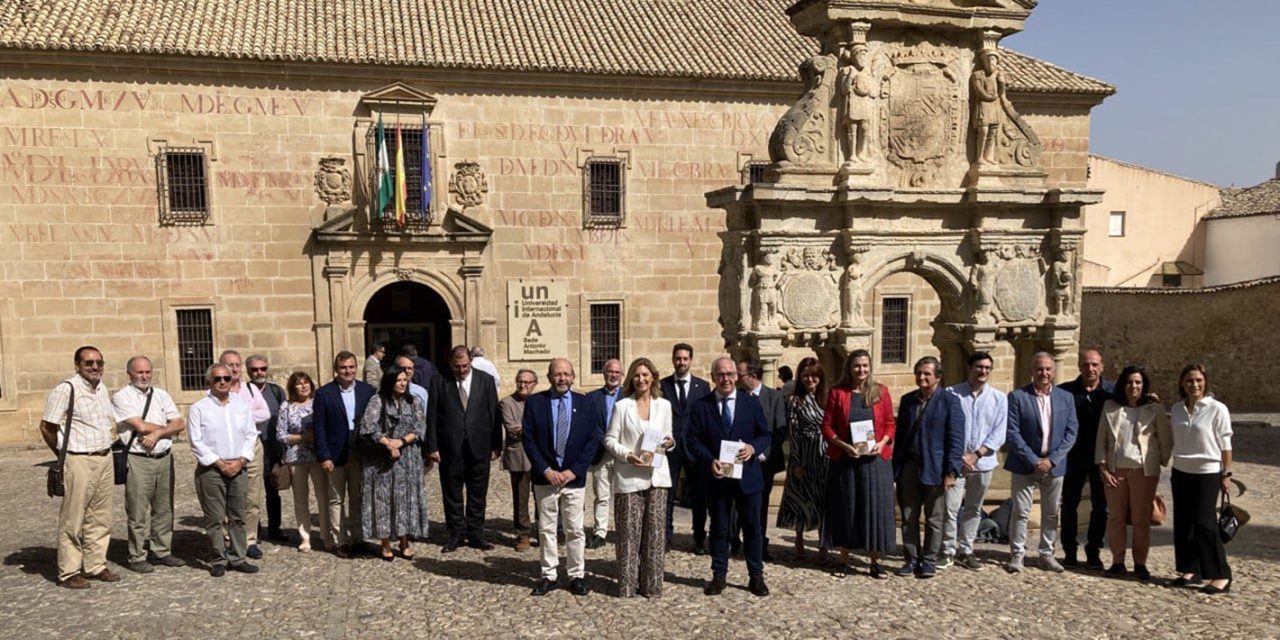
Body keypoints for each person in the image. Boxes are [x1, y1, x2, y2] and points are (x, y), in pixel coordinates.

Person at [686, 356, 772, 597]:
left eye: (730, 374)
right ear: (713, 377)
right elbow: (692, 440)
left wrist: (753, 448)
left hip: (748, 477)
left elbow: (765, 434)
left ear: (737, 376)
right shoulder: (701, 406)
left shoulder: (750, 403)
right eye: (720, 374)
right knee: (720, 528)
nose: (725, 379)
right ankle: (719, 575)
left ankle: (756, 576)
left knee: (753, 528)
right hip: (718, 478)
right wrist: (708, 459)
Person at [39, 346, 121, 589]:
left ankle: (95, 564)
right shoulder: (66, 390)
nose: (95, 367)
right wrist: (63, 455)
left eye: (98, 362)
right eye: (89, 363)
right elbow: (47, 426)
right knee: (73, 518)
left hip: (104, 457)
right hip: (78, 459)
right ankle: (69, 571)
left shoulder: (101, 388)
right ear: (77, 365)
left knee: (101, 515)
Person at [522, 358, 603, 596]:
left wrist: (574, 470)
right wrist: (545, 470)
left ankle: (576, 574)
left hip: (573, 478)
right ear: (549, 377)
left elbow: (593, 440)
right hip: (545, 477)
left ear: (574, 377)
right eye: (558, 374)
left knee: (575, 529)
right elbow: (528, 439)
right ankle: (549, 574)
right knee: (546, 528)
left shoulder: (586, 403)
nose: (562, 379)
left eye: (567, 374)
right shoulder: (536, 403)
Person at [820, 349, 896, 578]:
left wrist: (882, 443)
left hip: (875, 461)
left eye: (864, 365)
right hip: (846, 460)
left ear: (870, 367)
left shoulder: (880, 392)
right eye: (856, 366)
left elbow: (891, 424)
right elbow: (826, 426)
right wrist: (844, 446)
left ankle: (875, 562)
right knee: (846, 508)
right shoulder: (837, 393)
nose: (861, 370)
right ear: (849, 368)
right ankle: (843, 560)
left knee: (874, 510)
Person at [603, 357, 675, 598]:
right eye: (636, 375)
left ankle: (652, 586)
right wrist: (628, 454)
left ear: (653, 377)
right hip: (630, 476)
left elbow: (668, 435)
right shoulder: (622, 406)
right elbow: (610, 439)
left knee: (655, 535)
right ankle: (626, 586)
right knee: (628, 536)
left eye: (645, 375)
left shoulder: (664, 405)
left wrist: (670, 442)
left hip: (657, 477)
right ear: (631, 379)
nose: (641, 379)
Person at [1004, 352, 1078, 574]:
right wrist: (1034, 459)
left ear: (1053, 372)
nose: (1044, 373)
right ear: (1032, 371)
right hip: (1025, 464)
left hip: (1054, 466)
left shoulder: (1066, 398)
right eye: (1039, 369)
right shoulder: (1017, 397)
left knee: (1051, 512)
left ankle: (1046, 554)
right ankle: (1017, 554)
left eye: (1047, 369)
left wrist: (1053, 460)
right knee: (1020, 511)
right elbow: (1012, 432)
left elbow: (1071, 431)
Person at [1096, 365, 1171, 581]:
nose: (1134, 386)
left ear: (1143, 385)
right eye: (1130, 382)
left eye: (1138, 382)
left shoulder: (1154, 409)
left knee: (1140, 519)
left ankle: (1140, 563)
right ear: (1123, 385)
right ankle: (1117, 561)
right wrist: (1103, 468)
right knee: (1116, 518)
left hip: (1143, 470)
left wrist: (1160, 462)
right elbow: (1102, 440)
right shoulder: (1110, 407)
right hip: (1115, 469)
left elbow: (1165, 438)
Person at [112, 355, 185, 574]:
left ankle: (162, 551)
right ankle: (136, 555)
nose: (144, 376)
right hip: (138, 459)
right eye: (139, 372)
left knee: (164, 508)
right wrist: (164, 427)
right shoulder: (121, 397)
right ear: (130, 374)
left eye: (147, 372)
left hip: (163, 457)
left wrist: (159, 433)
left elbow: (179, 423)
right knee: (137, 510)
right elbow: (139, 425)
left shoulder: (161, 395)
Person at [893, 356, 964, 579]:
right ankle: (911, 558)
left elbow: (956, 439)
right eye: (918, 373)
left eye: (926, 374)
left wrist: (951, 471)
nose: (921, 377)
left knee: (934, 517)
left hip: (936, 466)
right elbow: (901, 435)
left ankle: (930, 560)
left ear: (938, 377)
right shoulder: (907, 401)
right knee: (908, 515)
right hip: (910, 465)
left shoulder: (949, 401)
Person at [426, 345, 502, 552]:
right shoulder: (439, 381)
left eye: (465, 365)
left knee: (478, 493)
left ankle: (476, 534)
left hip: (479, 447)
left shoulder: (485, 381)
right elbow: (431, 416)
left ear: (471, 361)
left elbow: (494, 414)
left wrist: (497, 445)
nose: (461, 370)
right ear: (450, 364)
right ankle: (456, 534)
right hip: (450, 447)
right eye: (457, 367)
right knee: (452, 493)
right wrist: (432, 446)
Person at [187, 363, 260, 576]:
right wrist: (218, 463)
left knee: (238, 515)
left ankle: (238, 556)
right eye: (217, 378)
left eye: (226, 378)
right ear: (209, 381)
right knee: (215, 518)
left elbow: (250, 434)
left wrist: (242, 461)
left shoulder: (241, 406)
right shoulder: (199, 408)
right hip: (211, 469)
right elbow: (196, 441)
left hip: (238, 466)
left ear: (232, 380)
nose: (222, 382)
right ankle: (218, 558)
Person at [1169, 364, 1234, 594]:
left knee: (1205, 523)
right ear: (1182, 383)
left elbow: (1225, 444)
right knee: (1184, 522)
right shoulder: (1177, 409)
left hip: (1207, 472)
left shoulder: (1217, 409)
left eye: (1198, 380)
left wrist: (1226, 473)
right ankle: (1190, 569)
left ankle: (1220, 574)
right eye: (1189, 380)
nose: (1194, 385)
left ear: (1205, 381)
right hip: (1180, 471)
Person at [941, 352, 1007, 571]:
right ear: (970, 368)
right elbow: (946, 427)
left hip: (983, 463)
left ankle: (966, 550)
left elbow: (999, 432)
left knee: (973, 509)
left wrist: (976, 454)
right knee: (950, 508)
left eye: (988, 368)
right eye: (979, 367)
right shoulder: (952, 394)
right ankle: (948, 550)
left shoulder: (999, 398)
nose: (983, 371)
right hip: (956, 462)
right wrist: (959, 455)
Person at [360, 366, 430, 560]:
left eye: (404, 380)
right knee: (384, 500)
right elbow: (367, 426)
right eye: (398, 380)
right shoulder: (377, 400)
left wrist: (401, 441)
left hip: (408, 459)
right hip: (383, 460)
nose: (402, 383)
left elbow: (420, 426)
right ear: (390, 381)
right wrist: (388, 443)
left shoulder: (413, 401)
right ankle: (385, 543)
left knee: (405, 500)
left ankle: (404, 540)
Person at [313, 351, 376, 558]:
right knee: (336, 499)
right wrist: (324, 456)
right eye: (343, 368)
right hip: (335, 454)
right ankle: (340, 540)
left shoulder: (368, 391)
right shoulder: (324, 394)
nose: (347, 371)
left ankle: (358, 538)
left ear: (356, 367)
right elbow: (319, 427)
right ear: (336, 370)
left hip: (359, 452)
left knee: (358, 497)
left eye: (350, 367)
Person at [1058, 349, 1115, 569]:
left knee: (1101, 507)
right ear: (1079, 366)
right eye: (1085, 364)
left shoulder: (1112, 392)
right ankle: (1069, 550)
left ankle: (1094, 550)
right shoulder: (1065, 392)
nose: (1090, 369)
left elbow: (1133, 401)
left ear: (1101, 366)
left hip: (1102, 457)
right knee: (1069, 504)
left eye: (1094, 364)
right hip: (1073, 456)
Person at [732, 357, 786, 561]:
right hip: (739, 459)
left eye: (740, 374)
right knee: (735, 504)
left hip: (764, 461)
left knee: (760, 505)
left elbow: (780, 430)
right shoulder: (736, 396)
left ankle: (759, 545)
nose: (736, 377)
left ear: (752, 376)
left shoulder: (774, 397)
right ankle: (734, 540)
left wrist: (762, 452)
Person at [658, 343, 711, 551]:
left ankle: (699, 538)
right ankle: (666, 537)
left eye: (685, 359)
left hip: (695, 449)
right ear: (673, 360)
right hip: (670, 449)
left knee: (698, 496)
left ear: (691, 360)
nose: (681, 362)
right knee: (668, 496)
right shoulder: (663, 386)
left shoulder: (702, 386)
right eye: (678, 359)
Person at [218, 350, 270, 559]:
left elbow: (265, 413)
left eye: (237, 365)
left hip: (252, 446)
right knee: (227, 496)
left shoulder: (250, 389)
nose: (234, 369)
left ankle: (249, 540)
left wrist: (241, 414)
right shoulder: (215, 390)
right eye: (229, 365)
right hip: (227, 448)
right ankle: (229, 539)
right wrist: (245, 414)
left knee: (252, 496)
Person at [775, 357, 829, 560]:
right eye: (806, 376)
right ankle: (799, 538)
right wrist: (796, 462)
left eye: (814, 375)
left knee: (823, 500)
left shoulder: (827, 397)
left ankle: (823, 543)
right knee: (800, 497)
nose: (810, 380)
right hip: (804, 453)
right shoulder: (796, 401)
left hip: (824, 455)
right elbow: (793, 432)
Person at [276, 371, 329, 552]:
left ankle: (326, 535)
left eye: (306, 382)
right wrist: (304, 437)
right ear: (293, 387)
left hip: (317, 457)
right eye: (299, 383)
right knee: (300, 499)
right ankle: (305, 536)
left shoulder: (317, 404)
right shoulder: (286, 407)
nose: (303, 386)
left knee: (323, 497)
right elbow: (281, 435)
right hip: (296, 458)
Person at [246, 354, 287, 543]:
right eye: (255, 369)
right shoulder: (243, 391)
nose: (259, 372)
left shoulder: (277, 392)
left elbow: (284, 419)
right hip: (251, 449)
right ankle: (255, 529)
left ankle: (275, 528)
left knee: (273, 490)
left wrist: (283, 453)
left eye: (262, 368)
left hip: (272, 448)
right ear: (248, 371)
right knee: (252, 493)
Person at [585, 358, 623, 549]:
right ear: (604, 373)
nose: (613, 375)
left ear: (622, 374)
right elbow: (589, 425)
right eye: (610, 371)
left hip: (623, 454)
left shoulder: (630, 397)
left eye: (617, 372)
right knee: (601, 494)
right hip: (601, 453)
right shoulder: (592, 397)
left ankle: (623, 531)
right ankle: (600, 532)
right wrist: (604, 439)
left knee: (624, 494)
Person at [501, 369, 538, 551]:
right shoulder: (507, 403)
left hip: (539, 456)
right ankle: (523, 533)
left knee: (542, 496)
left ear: (534, 384)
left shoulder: (539, 402)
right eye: (519, 382)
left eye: (527, 382)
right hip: (519, 454)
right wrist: (536, 428)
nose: (523, 385)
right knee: (521, 497)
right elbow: (512, 429)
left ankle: (542, 531)